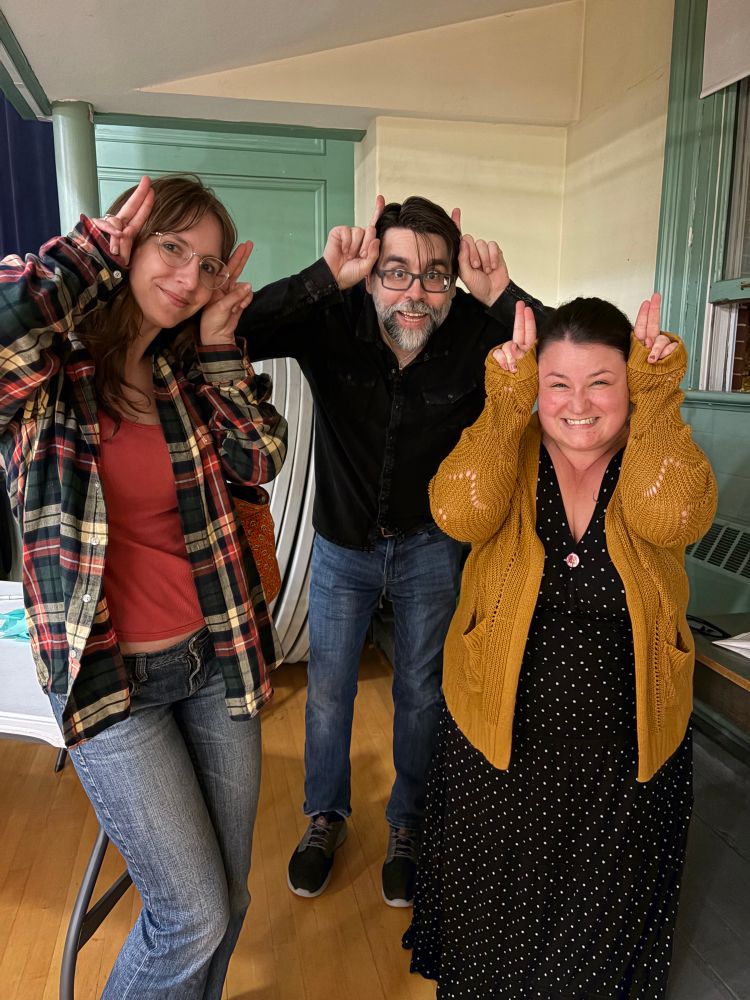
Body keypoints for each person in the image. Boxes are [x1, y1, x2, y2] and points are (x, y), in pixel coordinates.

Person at [0, 174, 287, 999]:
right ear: (128, 245)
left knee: (229, 900)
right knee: (190, 913)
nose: (190, 277)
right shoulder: (51, 376)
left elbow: (259, 458)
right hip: (110, 680)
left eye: (208, 264)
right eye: (172, 248)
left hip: (214, 659)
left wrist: (223, 349)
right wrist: (83, 258)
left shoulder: (182, 371)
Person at [405, 293, 718, 997]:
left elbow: (675, 518)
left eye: (601, 382)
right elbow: (456, 512)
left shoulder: (653, 451)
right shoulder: (510, 448)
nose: (578, 404)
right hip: (501, 739)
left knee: (599, 928)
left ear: (630, 383)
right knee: (497, 923)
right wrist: (504, 403)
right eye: (557, 384)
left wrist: (658, 398)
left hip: (626, 749)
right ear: (535, 386)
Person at [242, 196, 547, 905]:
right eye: (397, 271)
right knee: (328, 691)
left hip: (431, 546)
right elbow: (234, 329)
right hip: (342, 543)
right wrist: (323, 277)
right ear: (373, 272)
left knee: (420, 692)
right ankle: (325, 815)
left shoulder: (474, 329)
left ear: (452, 282)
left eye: (435, 274)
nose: (415, 291)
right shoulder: (333, 318)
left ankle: (408, 823)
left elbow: (572, 352)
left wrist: (503, 293)